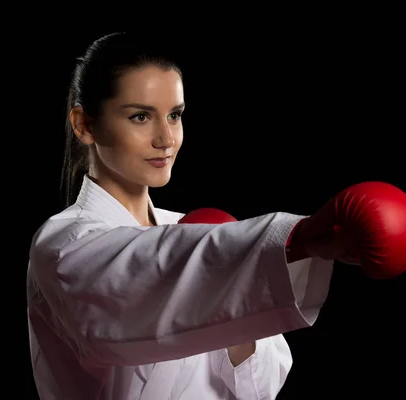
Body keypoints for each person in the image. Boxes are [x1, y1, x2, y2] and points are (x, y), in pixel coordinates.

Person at [26, 32, 360, 400]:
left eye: (175, 115)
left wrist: (238, 302)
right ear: (84, 125)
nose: (166, 138)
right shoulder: (64, 246)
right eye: (140, 116)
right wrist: (297, 240)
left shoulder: (197, 234)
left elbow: (262, 388)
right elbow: (145, 273)